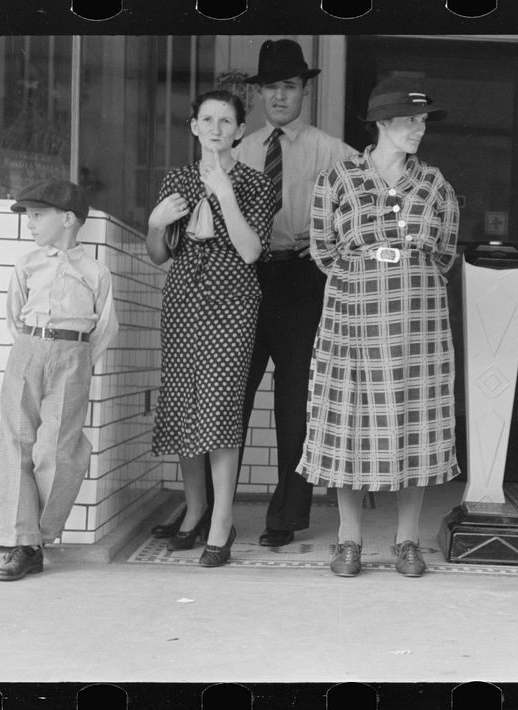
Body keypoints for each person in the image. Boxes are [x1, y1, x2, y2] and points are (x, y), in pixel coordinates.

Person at [297, 77, 460, 578]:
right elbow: (323, 251)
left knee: (416, 418)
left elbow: (447, 252)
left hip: (418, 321)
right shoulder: (337, 181)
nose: (419, 128)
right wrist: (368, 273)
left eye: (423, 120)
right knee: (349, 418)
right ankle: (349, 541)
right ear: (383, 124)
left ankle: (407, 541)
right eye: (411, 120)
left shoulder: (435, 186)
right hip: (353, 315)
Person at [232, 39, 355, 547]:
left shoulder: (332, 151)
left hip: (304, 282)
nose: (279, 96)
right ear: (258, 94)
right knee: (230, 396)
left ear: (304, 90)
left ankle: (284, 517)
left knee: (294, 402)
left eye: (289, 85)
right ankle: (216, 512)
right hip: (244, 282)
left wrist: (329, 240)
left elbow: (367, 204)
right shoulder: (238, 152)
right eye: (270, 87)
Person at [146, 89, 275, 567]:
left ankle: (222, 519)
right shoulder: (176, 180)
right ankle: (195, 508)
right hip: (182, 303)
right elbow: (159, 254)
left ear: (240, 130)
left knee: (219, 410)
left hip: (232, 306)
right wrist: (155, 224)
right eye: (208, 119)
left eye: (227, 120)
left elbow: (250, 251)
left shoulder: (257, 185)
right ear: (194, 127)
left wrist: (223, 193)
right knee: (184, 404)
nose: (217, 127)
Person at [0, 179, 119, 580]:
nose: (30, 222)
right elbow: (13, 316)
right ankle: (22, 545)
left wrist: (78, 358)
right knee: (17, 442)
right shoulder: (27, 263)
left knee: (57, 448)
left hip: (74, 355)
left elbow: (106, 327)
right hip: (28, 348)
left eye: (37, 214)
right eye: (28, 214)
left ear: (68, 219)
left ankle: (34, 537)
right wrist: (33, 348)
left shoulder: (95, 271)